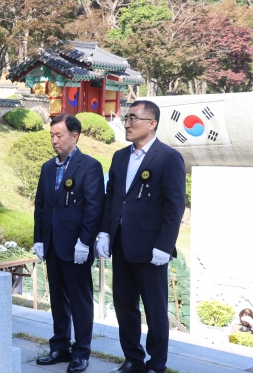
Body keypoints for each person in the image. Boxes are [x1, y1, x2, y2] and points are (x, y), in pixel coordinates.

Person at [96, 100, 186, 373]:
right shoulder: (120, 157)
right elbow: (111, 197)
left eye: (133, 118)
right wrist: (104, 232)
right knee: (124, 306)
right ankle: (133, 359)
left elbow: (175, 205)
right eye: (126, 118)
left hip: (151, 248)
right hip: (121, 243)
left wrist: (164, 245)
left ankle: (156, 364)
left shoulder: (168, 157)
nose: (127, 123)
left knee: (155, 309)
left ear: (152, 123)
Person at [33, 114, 105, 373]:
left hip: (76, 246)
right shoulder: (47, 167)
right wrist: (39, 239)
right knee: (58, 299)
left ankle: (81, 352)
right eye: (52, 135)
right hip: (52, 242)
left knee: (80, 300)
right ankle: (60, 347)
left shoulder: (90, 166)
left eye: (59, 135)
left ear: (75, 136)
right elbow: (41, 205)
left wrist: (85, 241)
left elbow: (94, 208)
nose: (54, 140)